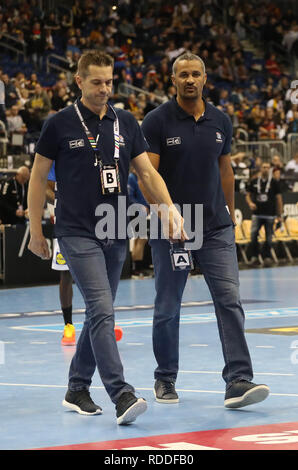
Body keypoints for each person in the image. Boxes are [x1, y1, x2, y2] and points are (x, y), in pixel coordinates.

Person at [27, 51, 185, 425]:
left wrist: (170, 209)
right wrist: (36, 229)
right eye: (96, 82)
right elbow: (37, 177)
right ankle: (121, 393)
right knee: (101, 308)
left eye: (109, 82)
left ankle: (77, 387)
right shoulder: (60, 124)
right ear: (79, 82)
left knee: (100, 311)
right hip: (76, 231)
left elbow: (146, 174)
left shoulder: (126, 121)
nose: (104, 89)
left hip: (116, 227)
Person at [141, 52, 270, 408]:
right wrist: (165, 218)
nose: (190, 80)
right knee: (168, 305)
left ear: (205, 78)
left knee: (229, 301)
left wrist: (230, 214)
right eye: (183, 75)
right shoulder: (156, 122)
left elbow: (225, 170)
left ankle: (239, 380)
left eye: (195, 74)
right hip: (173, 229)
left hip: (215, 228)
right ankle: (165, 377)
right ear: (173, 80)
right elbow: (147, 178)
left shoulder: (220, 120)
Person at [46, 163, 75, 346]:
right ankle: (68, 325)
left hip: (93, 219)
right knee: (65, 274)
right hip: (65, 221)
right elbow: (47, 188)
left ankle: (102, 318)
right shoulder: (56, 158)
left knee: (100, 272)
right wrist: (63, 199)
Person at [245, 161, 283, 267]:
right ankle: (255, 257)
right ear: (260, 168)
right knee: (253, 235)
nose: (265, 169)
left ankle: (267, 257)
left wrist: (279, 215)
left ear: (270, 169)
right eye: (263, 167)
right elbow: (247, 194)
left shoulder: (274, 182)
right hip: (257, 214)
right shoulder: (254, 181)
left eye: (267, 167)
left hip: (270, 214)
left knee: (269, 237)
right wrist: (250, 203)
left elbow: (279, 199)